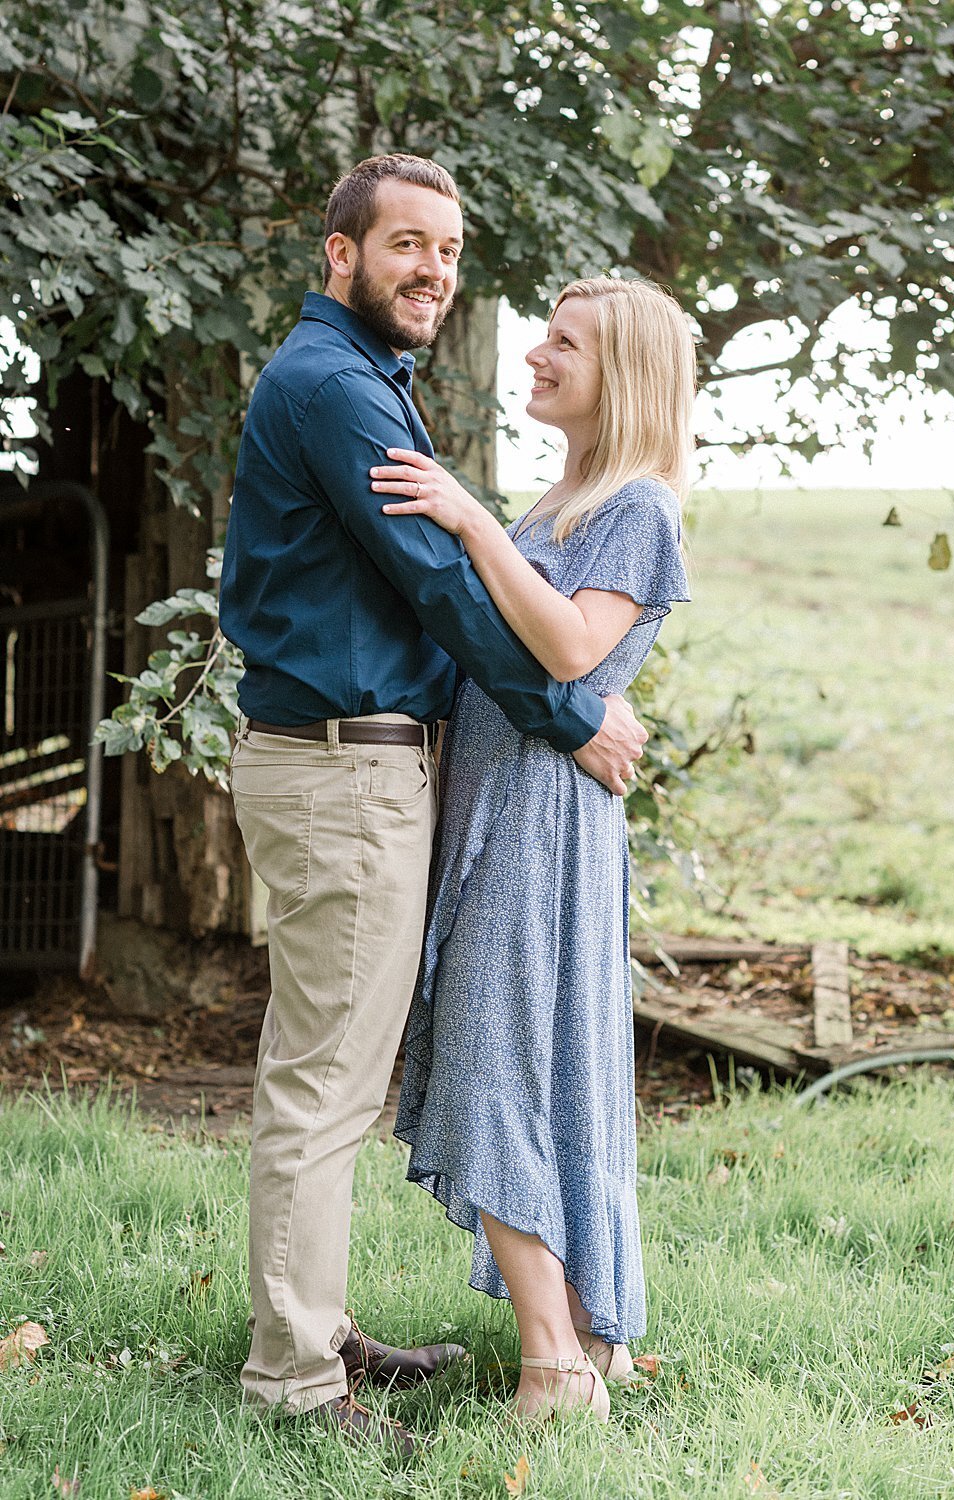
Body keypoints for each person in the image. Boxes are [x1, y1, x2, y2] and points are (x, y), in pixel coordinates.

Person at [218, 156, 648, 1449]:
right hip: (340, 768)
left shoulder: (362, 384)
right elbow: (444, 587)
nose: (434, 272)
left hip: (356, 764)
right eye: (407, 244)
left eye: (450, 252)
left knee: (334, 1070)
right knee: (323, 1082)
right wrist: (576, 713)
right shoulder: (337, 390)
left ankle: (315, 1321)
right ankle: (296, 1381)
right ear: (339, 254)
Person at [374, 275, 695, 1422]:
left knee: (493, 1063)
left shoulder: (636, 507)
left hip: (540, 820)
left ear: (625, 375)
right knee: (527, 1066)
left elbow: (564, 649)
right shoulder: (561, 499)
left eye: (564, 343)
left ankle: (555, 1365)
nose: (536, 355)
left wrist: (462, 517)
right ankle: (586, 1340)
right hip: (500, 797)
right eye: (543, 337)